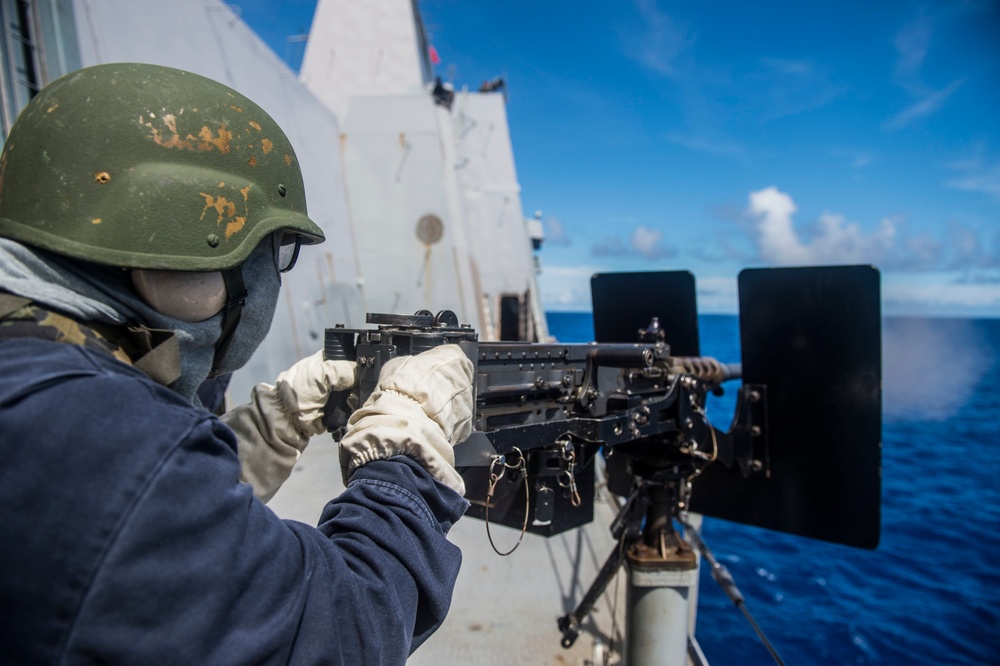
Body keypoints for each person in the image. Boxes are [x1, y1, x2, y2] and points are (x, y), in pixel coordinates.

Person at [0, 63, 473, 664]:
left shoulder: (40, 381)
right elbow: (345, 628)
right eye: (271, 252)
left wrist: (263, 431)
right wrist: (408, 450)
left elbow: (127, 566)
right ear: (191, 253)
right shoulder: (99, 444)